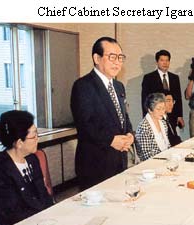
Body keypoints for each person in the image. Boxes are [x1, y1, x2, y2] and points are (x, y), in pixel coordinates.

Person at [70, 36, 134, 190]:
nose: (117, 62)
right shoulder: (83, 86)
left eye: (120, 57)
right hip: (95, 161)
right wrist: (111, 140)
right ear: (96, 58)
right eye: (112, 57)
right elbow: (85, 124)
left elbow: (123, 117)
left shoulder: (119, 86)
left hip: (119, 158)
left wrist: (130, 134)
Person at [0, 110, 54, 225]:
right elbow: (13, 214)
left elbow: (43, 195)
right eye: (34, 136)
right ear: (19, 143)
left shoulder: (32, 159)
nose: (38, 139)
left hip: (41, 222)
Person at [142, 49, 184, 130]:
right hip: (156, 116)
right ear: (157, 62)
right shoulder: (149, 78)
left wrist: (179, 115)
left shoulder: (175, 78)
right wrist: (147, 117)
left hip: (172, 116)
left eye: (167, 60)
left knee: (172, 139)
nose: (165, 63)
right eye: (162, 60)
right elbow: (145, 99)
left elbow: (178, 98)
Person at [135, 93, 171, 161]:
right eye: (158, 109)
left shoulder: (163, 123)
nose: (162, 112)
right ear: (150, 110)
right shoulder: (144, 127)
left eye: (163, 108)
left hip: (165, 159)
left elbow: (168, 145)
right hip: (150, 164)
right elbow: (147, 156)